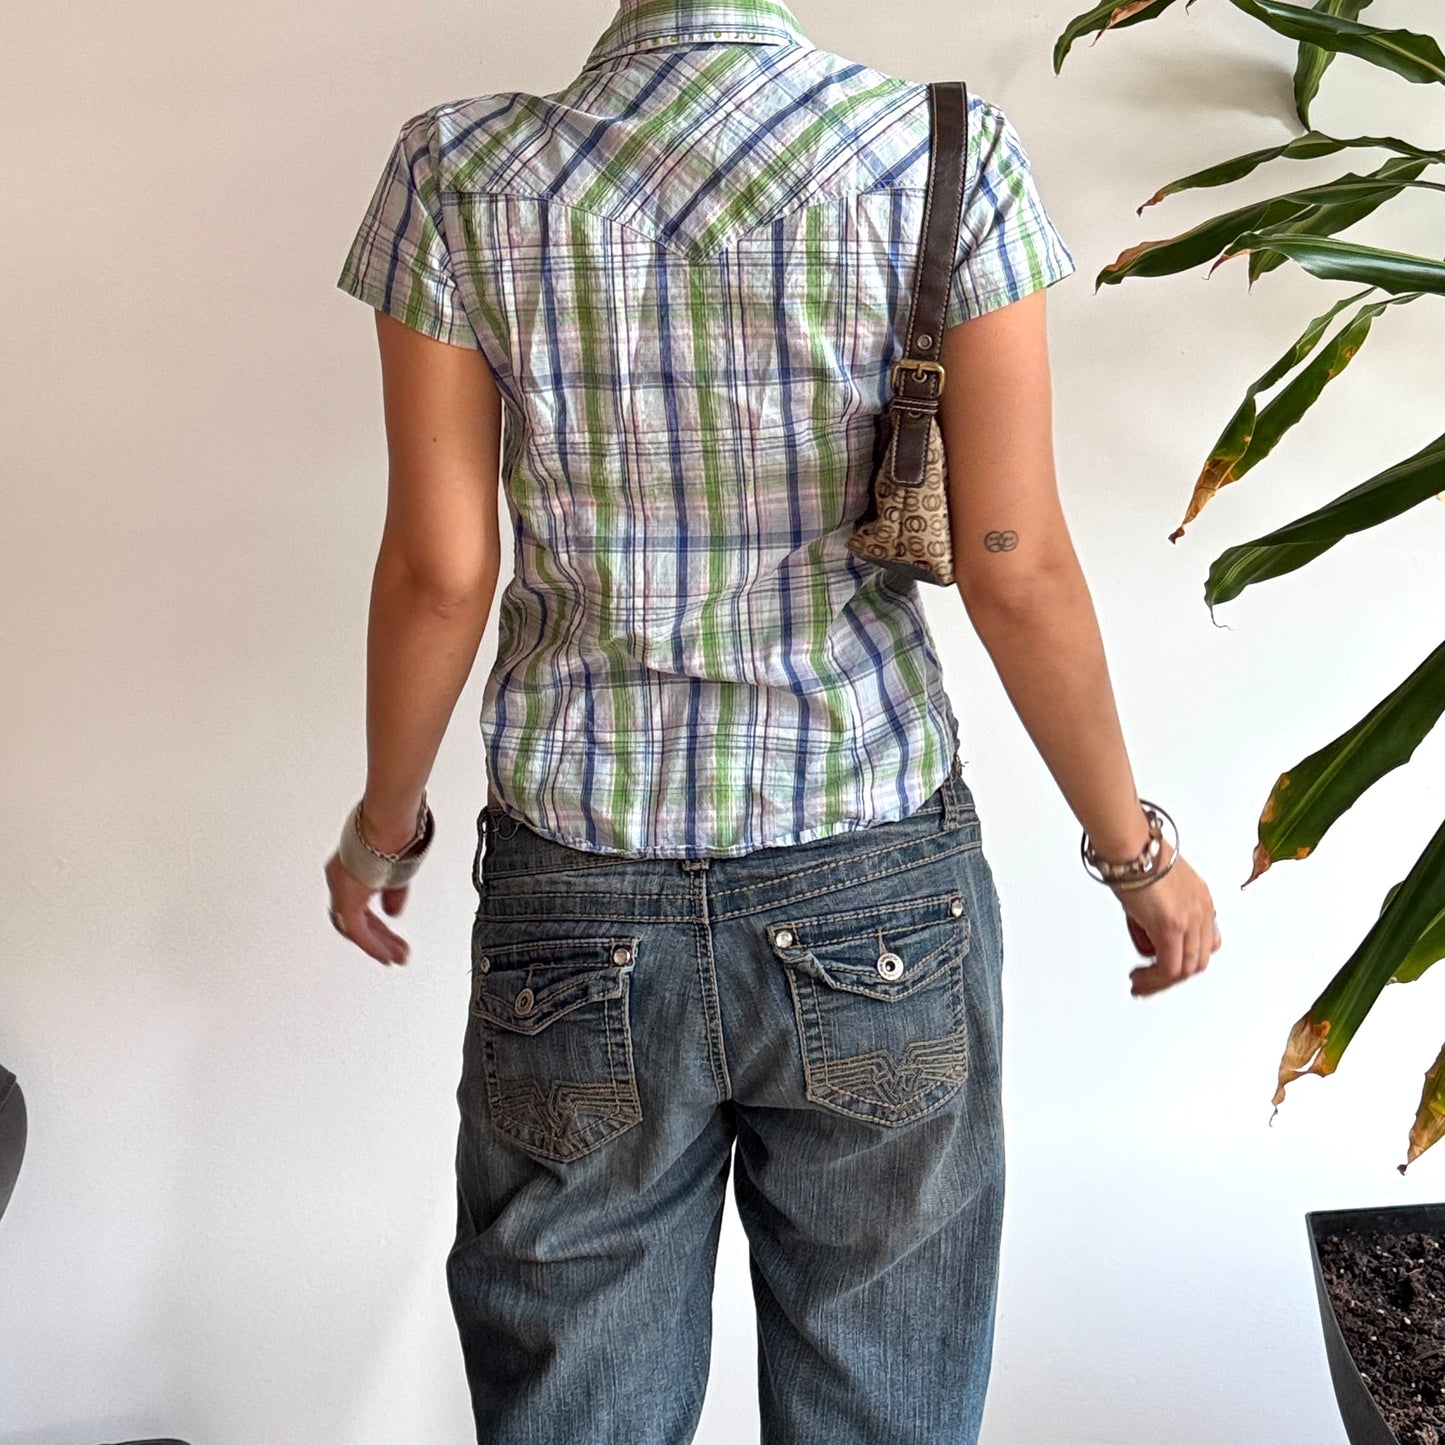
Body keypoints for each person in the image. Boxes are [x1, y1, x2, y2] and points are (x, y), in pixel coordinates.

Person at [323, 1, 1222, 1441]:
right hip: (874, 879)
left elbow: (441, 567)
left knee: (575, 1402)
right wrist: (1133, 851)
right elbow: (1012, 563)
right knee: (881, 1398)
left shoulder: (457, 169)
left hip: (577, 888)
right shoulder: (941, 158)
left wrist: (385, 826)